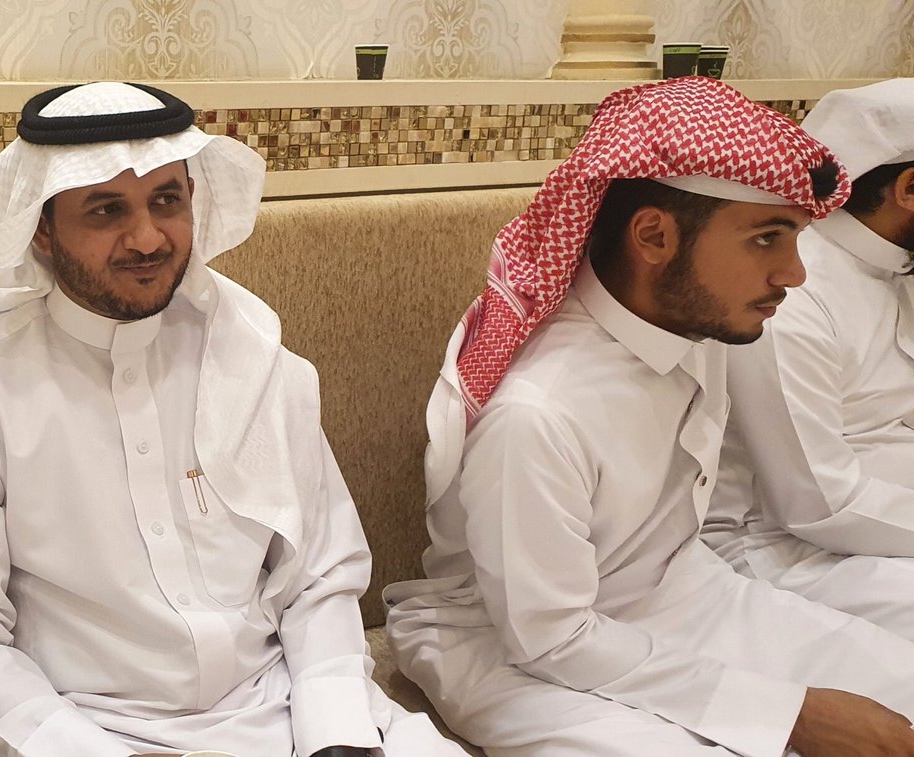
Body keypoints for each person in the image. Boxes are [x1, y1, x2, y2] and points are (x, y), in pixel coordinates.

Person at [0, 81, 465, 757]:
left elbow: (319, 574)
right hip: (86, 730)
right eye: (106, 209)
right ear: (42, 231)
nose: (146, 238)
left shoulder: (254, 356)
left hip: (282, 706)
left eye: (166, 201)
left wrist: (335, 731)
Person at [383, 77, 914, 756]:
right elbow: (550, 637)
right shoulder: (538, 415)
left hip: (688, 591)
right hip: (514, 646)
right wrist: (789, 714)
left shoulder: (698, 327)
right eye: (767, 239)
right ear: (654, 236)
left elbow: (672, 562)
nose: (795, 274)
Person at [707, 78, 914, 640]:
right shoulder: (788, 293)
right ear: (908, 187)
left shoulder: (897, 263)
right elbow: (817, 503)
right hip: (786, 551)